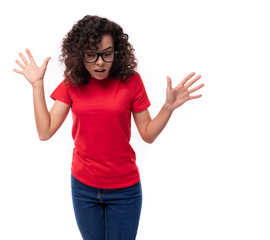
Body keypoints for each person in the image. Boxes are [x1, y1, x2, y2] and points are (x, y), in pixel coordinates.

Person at [13, 15, 204, 240]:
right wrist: (37, 85)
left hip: (124, 190)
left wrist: (168, 107)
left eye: (106, 54)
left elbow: (147, 134)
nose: (100, 62)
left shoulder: (131, 81)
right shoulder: (72, 83)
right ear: (79, 55)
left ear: (117, 52)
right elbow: (45, 131)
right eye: (91, 55)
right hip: (83, 188)